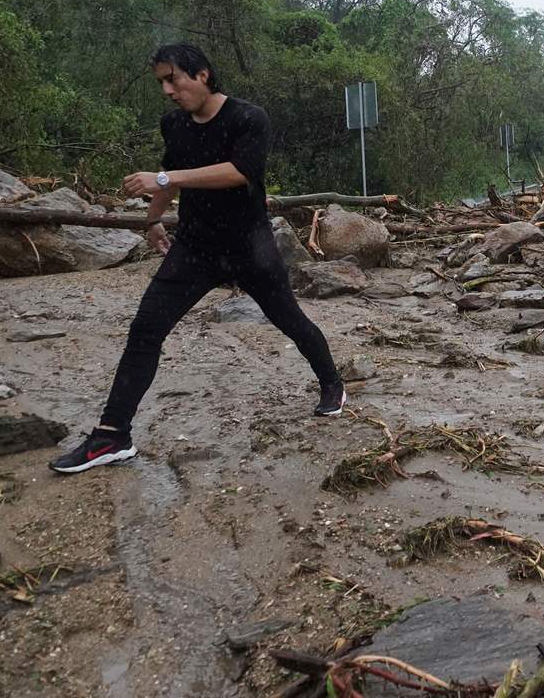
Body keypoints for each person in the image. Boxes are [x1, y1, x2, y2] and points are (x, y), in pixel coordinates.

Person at [50, 44, 345, 474]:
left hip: (250, 247)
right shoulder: (174, 124)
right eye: (161, 83)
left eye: (174, 79)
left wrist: (165, 178)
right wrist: (152, 220)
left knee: (290, 320)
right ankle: (112, 435)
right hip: (195, 248)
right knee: (145, 329)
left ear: (203, 74)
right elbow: (171, 176)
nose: (168, 90)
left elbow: (239, 171)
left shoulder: (249, 117)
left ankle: (332, 384)